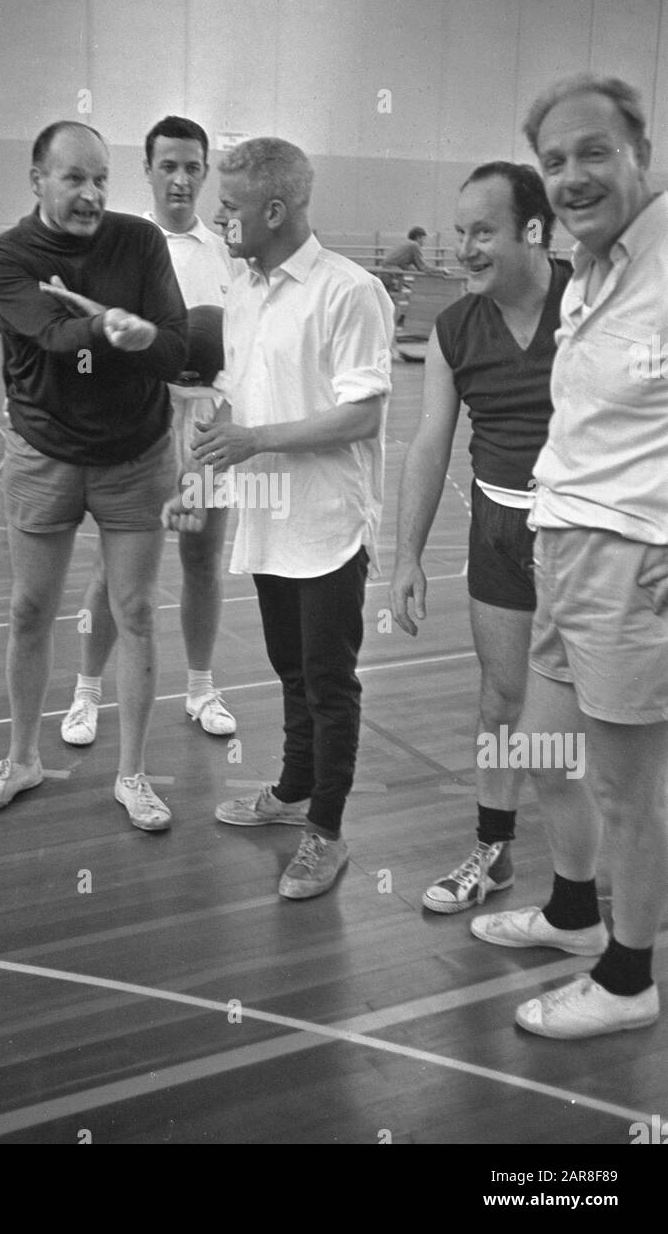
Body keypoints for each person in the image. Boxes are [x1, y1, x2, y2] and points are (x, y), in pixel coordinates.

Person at [471, 75, 668, 1038]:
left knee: (626, 793)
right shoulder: (594, 268)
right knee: (545, 753)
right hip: (561, 548)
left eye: (593, 152)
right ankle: (574, 914)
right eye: (554, 162)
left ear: (640, 149)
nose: (572, 176)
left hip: (634, 564)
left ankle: (629, 980)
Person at [165, 137, 394, 899]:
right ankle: (294, 788)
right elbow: (235, 394)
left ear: (274, 208)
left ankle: (324, 833)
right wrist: (201, 468)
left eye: (228, 206)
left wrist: (253, 437)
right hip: (266, 518)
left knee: (329, 683)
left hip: (328, 526)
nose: (218, 217)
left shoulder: (349, 291)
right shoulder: (244, 289)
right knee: (289, 669)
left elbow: (360, 416)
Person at [0, 121, 187, 831]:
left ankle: (133, 775)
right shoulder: (2, 259)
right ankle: (23, 757)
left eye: (100, 180)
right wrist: (107, 327)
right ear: (36, 180)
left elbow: (176, 345)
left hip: (137, 456)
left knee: (137, 614)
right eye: (73, 179)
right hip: (45, 454)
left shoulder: (141, 242)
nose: (91, 195)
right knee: (29, 610)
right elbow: (52, 337)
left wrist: (146, 336)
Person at [391, 163, 571, 913]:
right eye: (457, 231)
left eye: (480, 231)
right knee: (503, 702)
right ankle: (492, 851)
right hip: (499, 530)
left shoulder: (592, 301)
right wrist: (405, 556)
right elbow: (430, 444)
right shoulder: (452, 329)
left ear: (531, 231)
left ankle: (587, 888)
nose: (462, 247)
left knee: (598, 719)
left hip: (588, 537)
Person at [60, 116, 239, 748]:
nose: (182, 179)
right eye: (169, 166)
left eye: (193, 166)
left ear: (205, 171)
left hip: (210, 424)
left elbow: (243, 342)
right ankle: (86, 691)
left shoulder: (224, 253)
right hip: (142, 422)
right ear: (148, 170)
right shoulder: (121, 246)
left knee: (202, 560)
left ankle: (200, 687)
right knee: (118, 572)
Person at [380, 226, 450, 291]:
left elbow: (411, 266)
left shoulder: (408, 244)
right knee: (404, 290)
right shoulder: (414, 245)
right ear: (418, 238)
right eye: (423, 239)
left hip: (387, 272)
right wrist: (441, 270)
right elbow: (423, 267)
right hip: (391, 273)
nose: (424, 242)